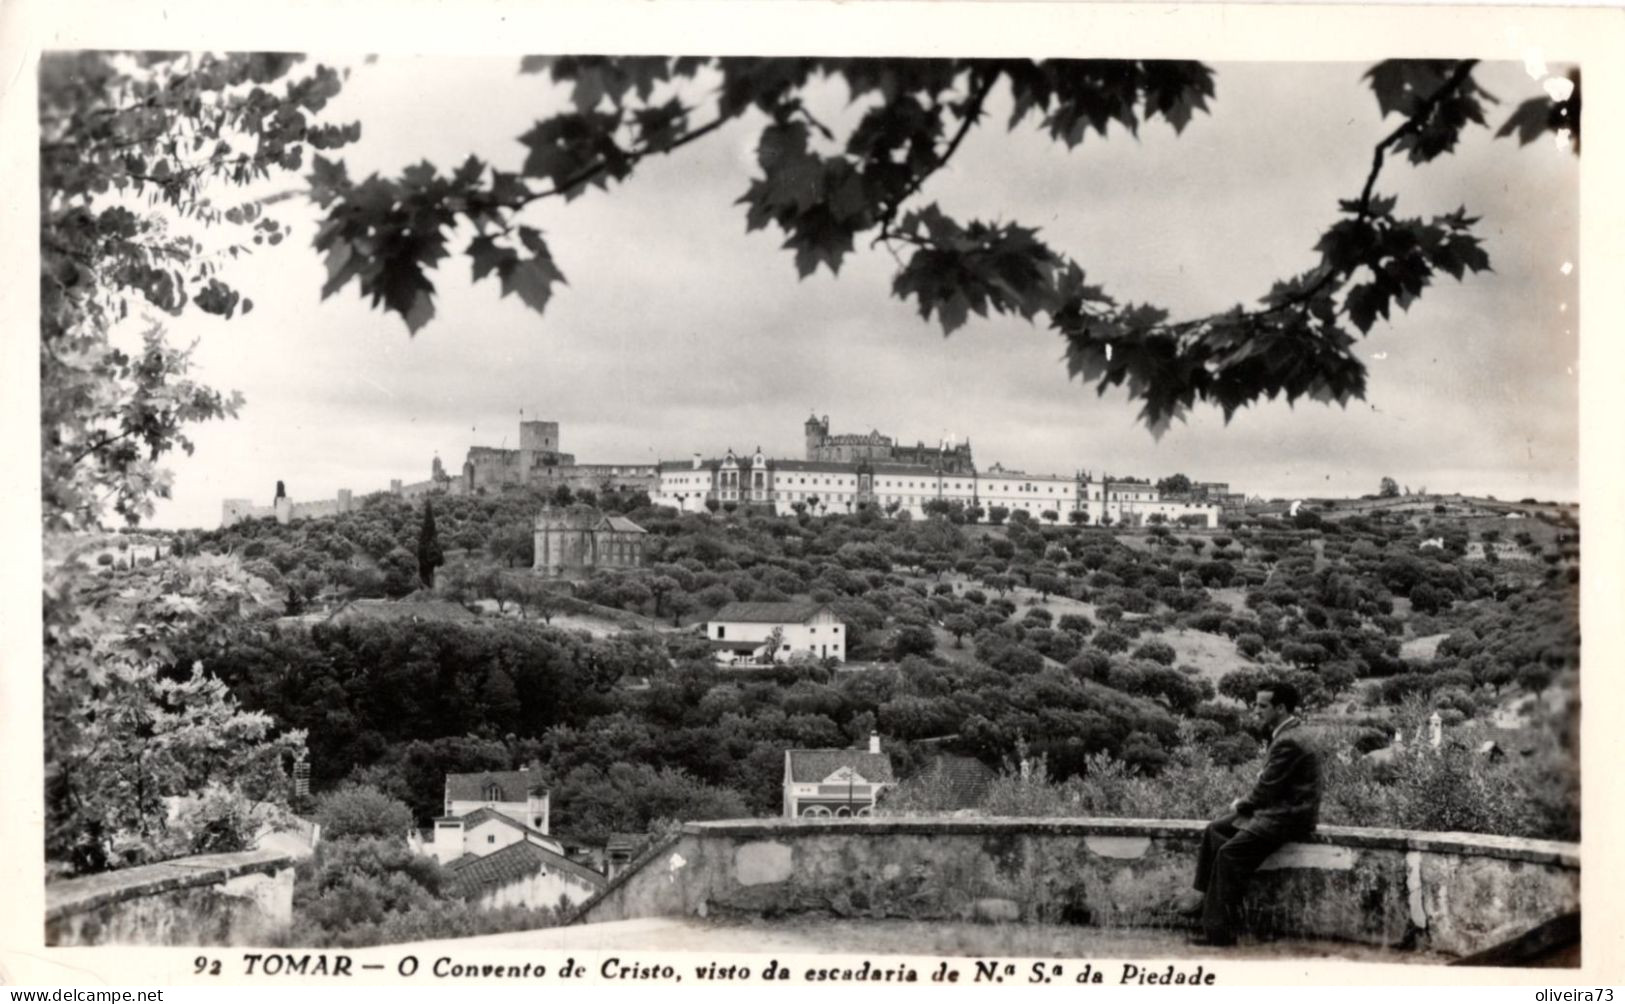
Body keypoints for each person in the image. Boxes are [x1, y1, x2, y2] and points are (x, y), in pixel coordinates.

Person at [1180, 682, 1321, 947]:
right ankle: (1202, 898)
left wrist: (1240, 806)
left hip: (1285, 818)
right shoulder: (1289, 733)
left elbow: (1266, 789)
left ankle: (1218, 933)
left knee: (1228, 855)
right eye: (1256, 704)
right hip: (1278, 810)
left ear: (1280, 708)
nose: (1255, 710)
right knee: (1215, 829)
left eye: (1262, 705)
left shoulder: (1288, 740)